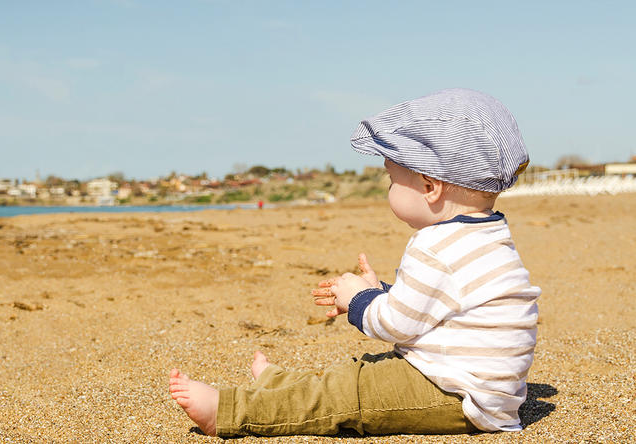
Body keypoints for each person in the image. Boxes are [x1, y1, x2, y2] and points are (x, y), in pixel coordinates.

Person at [168, 88, 541, 437]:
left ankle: (230, 411)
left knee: (350, 392)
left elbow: (396, 325)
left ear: (430, 187)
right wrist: (381, 292)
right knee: (361, 372)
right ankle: (280, 385)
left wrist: (358, 301)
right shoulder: (488, 235)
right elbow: (437, 308)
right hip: (483, 390)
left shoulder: (434, 244)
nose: (389, 188)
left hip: (457, 395)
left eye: (393, 179)